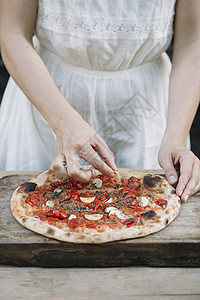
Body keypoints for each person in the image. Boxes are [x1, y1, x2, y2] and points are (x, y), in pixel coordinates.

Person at [0, 0, 199, 202]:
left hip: (147, 111)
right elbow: (12, 31)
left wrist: (176, 138)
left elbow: (193, 39)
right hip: (46, 99)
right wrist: (62, 123)